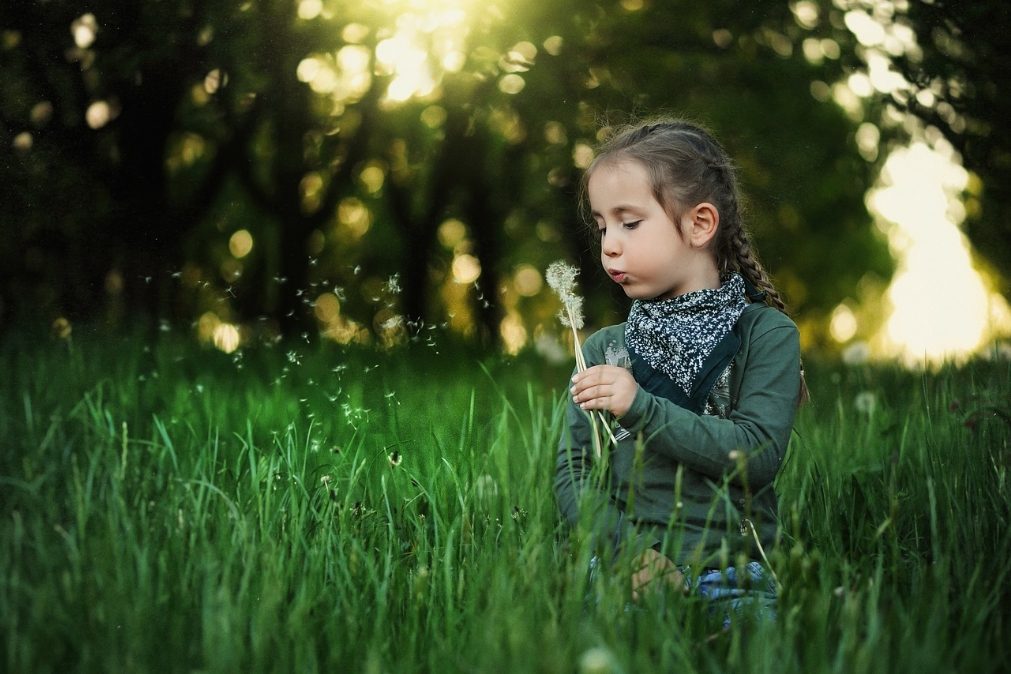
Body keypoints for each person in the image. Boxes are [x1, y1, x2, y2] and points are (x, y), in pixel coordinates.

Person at [554, 119, 806, 622]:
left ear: (699, 224)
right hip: (626, 567)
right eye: (602, 226)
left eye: (629, 223)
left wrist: (639, 407)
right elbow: (573, 472)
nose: (608, 245)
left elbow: (755, 456)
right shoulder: (603, 348)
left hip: (733, 570)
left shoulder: (766, 334)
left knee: (753, 645)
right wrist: (627, 553)